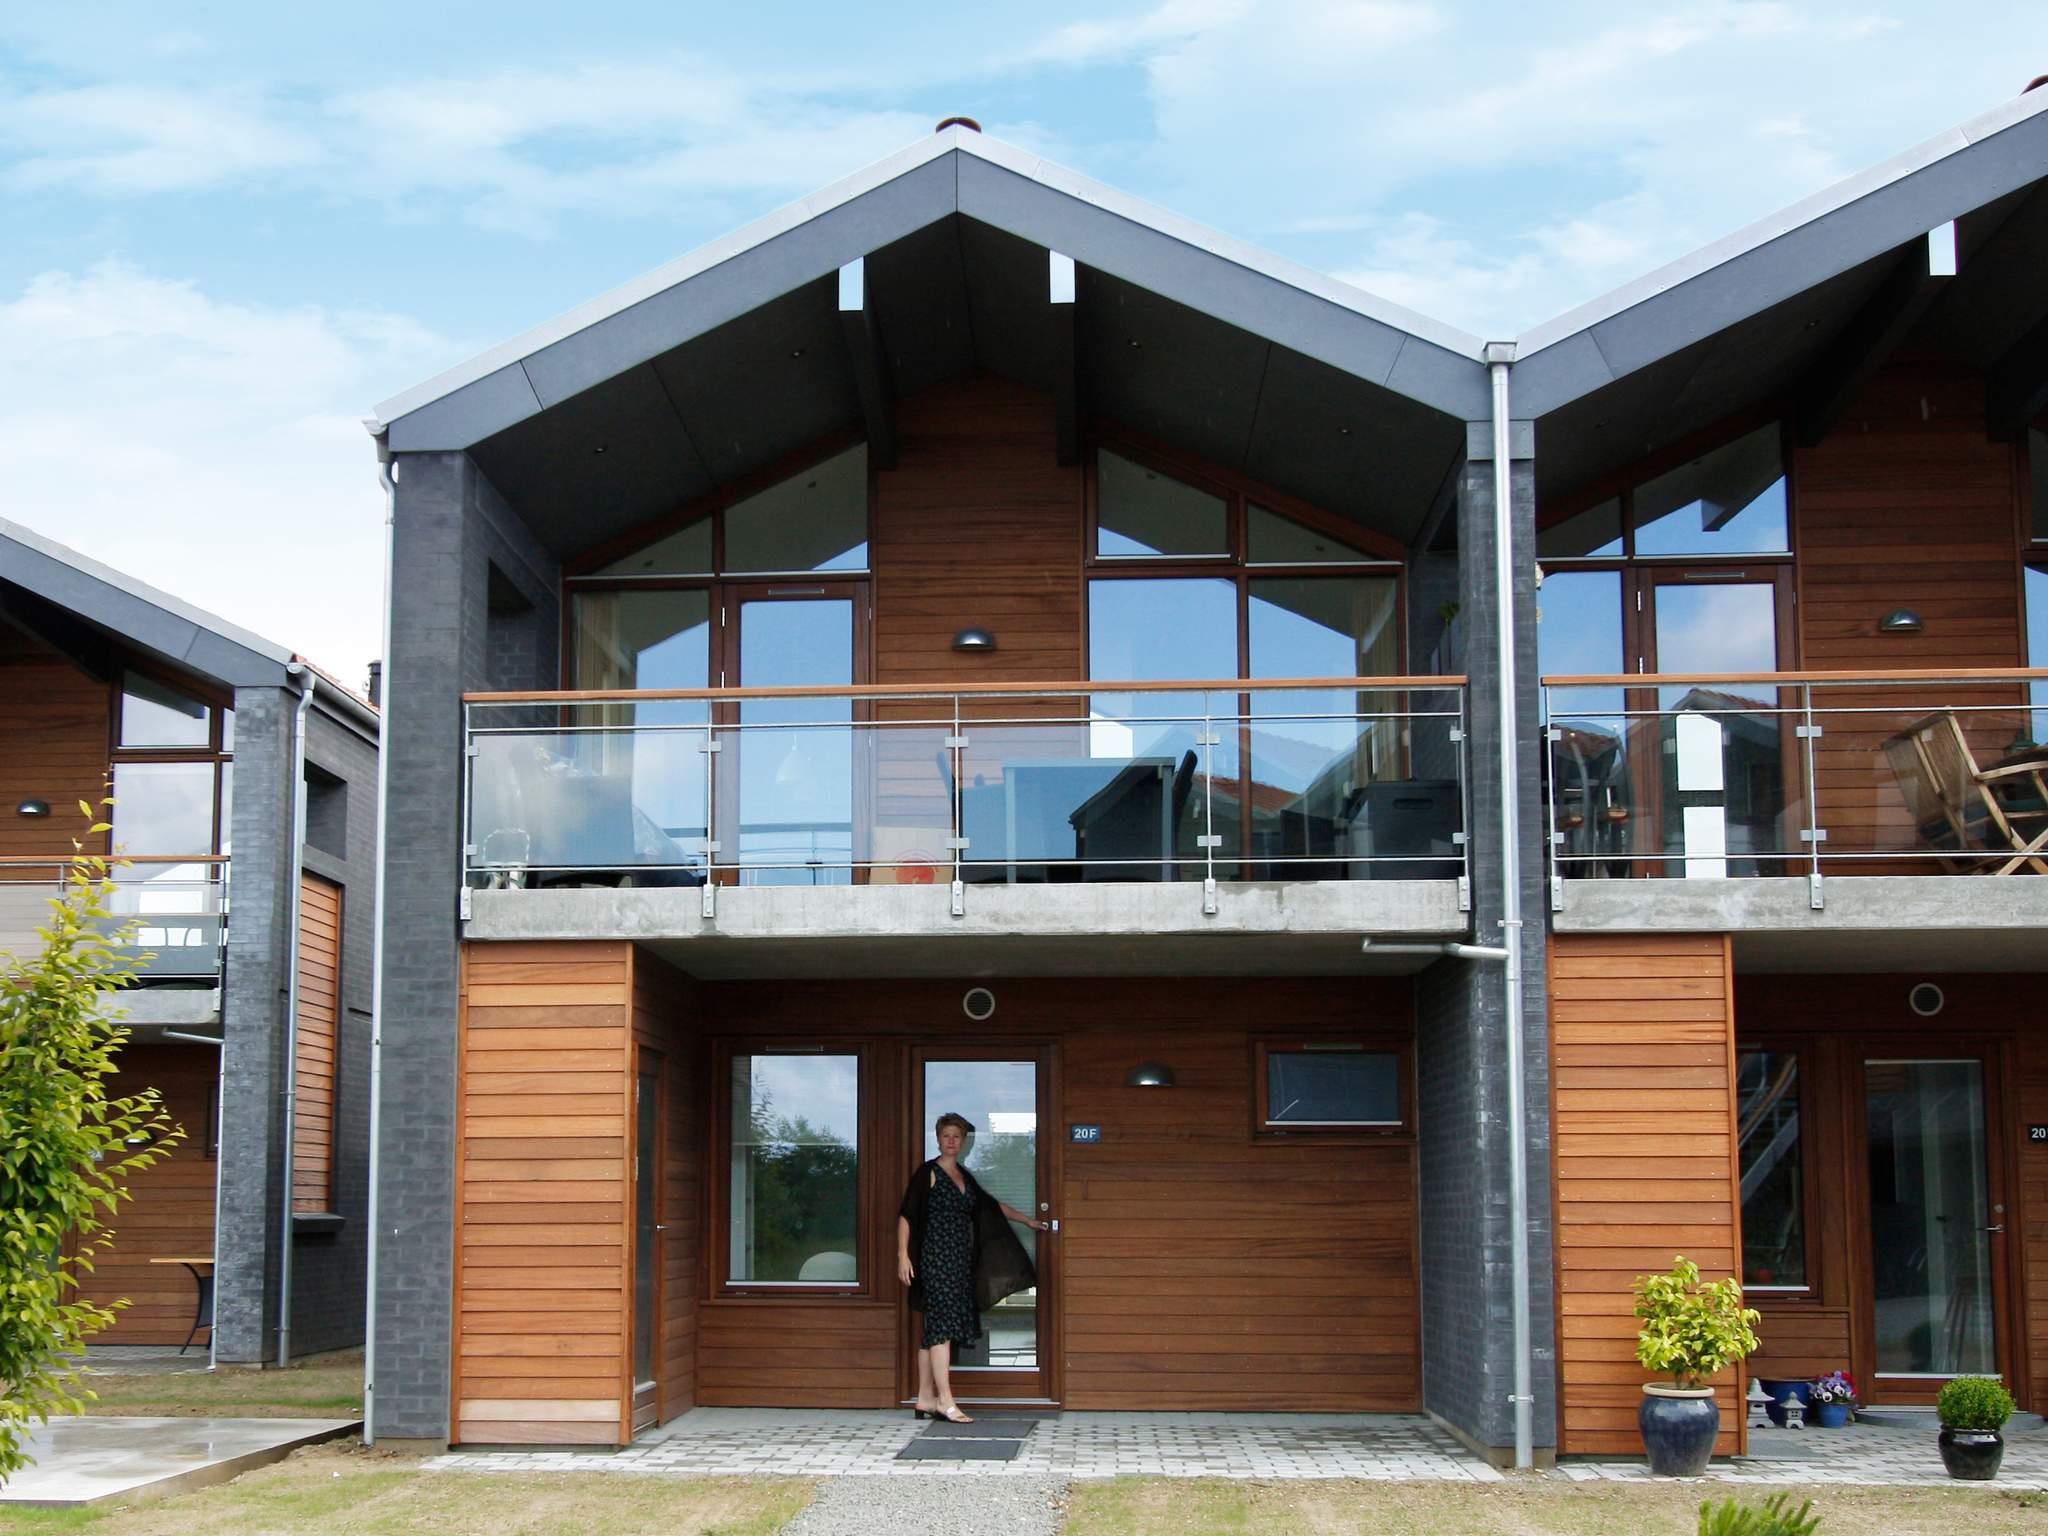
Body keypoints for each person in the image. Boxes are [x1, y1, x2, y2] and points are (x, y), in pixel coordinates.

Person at [896, 1111, 1046, 1424]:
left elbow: (991, 1206)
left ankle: (924, 1398)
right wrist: (902, 1255)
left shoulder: (964, 1177)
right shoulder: (928, 1172)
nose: (951, 1141)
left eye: (957, 1137)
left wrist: (1026, 1220)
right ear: (938, 1139)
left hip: (959, 1262)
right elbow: (907, 1215)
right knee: (942, 1328)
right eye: (946, 1136)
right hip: (935, 1261)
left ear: (964, 1142)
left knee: (934, 1330)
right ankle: (945, 1401)